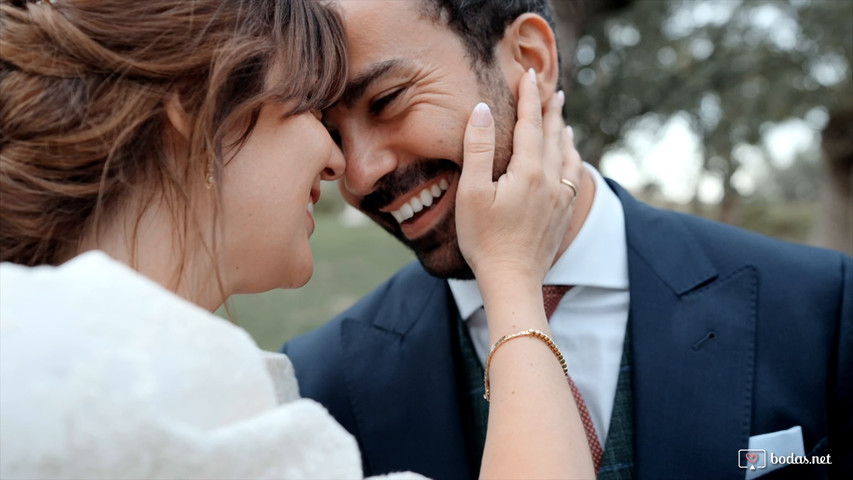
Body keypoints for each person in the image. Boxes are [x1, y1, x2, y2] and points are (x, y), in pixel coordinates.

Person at [0, 0, 594, 478]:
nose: (348, 168)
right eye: (315, 112)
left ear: (532, 59)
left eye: (386, 100)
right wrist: (515, 280)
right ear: (199, 111)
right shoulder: (118, 383)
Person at [282, 1, 853, 479]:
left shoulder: (819, 307)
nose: (359, 175)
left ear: (530, 60)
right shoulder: (318, 381)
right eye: (331, 134)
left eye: (386, 101)